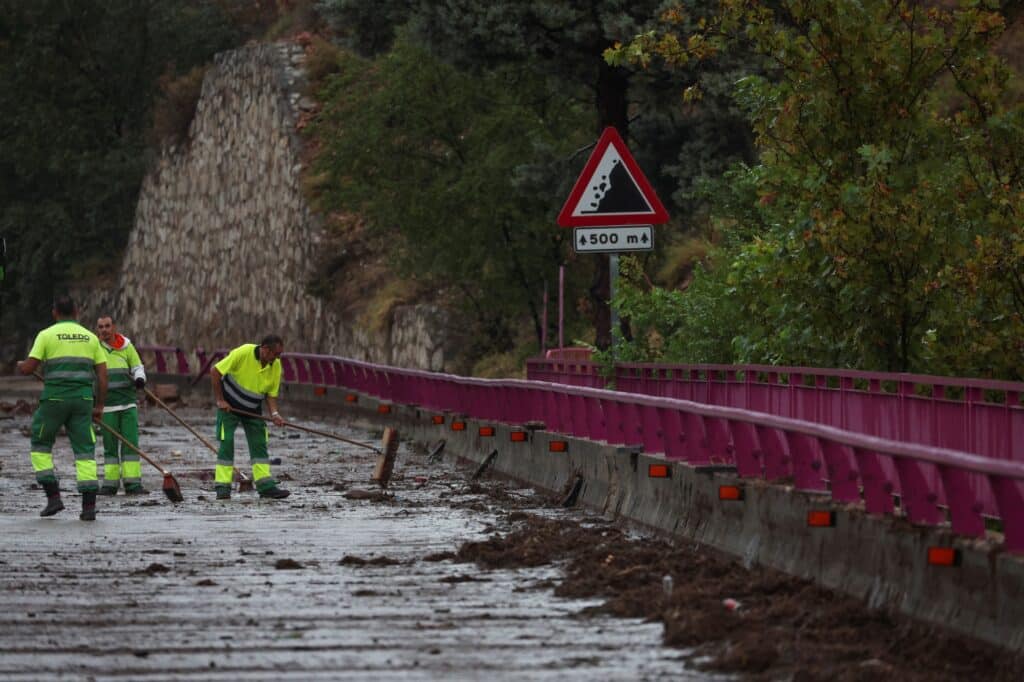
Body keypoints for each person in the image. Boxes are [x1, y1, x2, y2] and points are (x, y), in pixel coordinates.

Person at [16, 294, 107, 521]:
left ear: (54, 312)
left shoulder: (46, 335)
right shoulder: (90, 338)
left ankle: (54, 497)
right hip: (83, 401)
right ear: (77, 312)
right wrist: (99, 406)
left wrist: (21, 366)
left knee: (40, 443)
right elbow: (103, 377)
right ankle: (88, 507)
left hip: (54, 401)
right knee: (85, 451)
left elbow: (29, 368)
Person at [210, 336, 290, 500]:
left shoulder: (275, 365)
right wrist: (220, 400)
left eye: (280, 355)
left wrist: (274, 414)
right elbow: (215, 371)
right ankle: (222, 487)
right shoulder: (244, 352)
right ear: (265, 349)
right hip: (229, 407)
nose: (277, 358)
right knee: (227, 443)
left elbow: (271, 394)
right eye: (275, 354)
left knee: (259, 444)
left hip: (253, 409)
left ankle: (266, 486)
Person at [95, 316, 148, 495]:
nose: (104, 330)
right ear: (98, 329)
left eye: (107, 326)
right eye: (101, 327)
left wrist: (140, 378)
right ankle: (110, 484)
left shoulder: (126, 346)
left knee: (131, 445)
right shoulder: (94, 348)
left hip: (127, 404)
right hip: (107, 406)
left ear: (114, 327)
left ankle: (133, 484)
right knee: (110, 447)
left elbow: (137, 366)